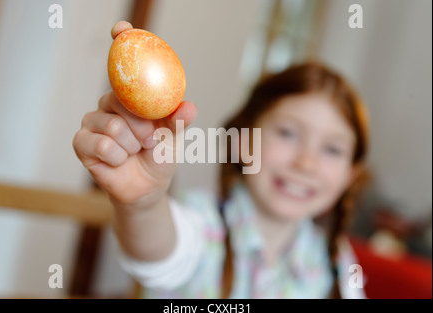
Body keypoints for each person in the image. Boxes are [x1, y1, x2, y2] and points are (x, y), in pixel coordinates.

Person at [73, 21, 370, 298]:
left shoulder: (336, 261)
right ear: (242, 141)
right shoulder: (203, 223)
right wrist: (143, 204)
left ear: (349, 176)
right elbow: (158, 257)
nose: (306, 162)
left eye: (332, 149)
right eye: (288, 133)